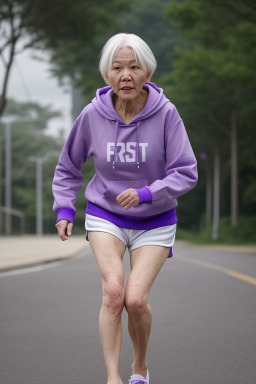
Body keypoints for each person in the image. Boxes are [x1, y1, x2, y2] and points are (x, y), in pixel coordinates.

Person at [52, 33, 198, 384]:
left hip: (156, 217)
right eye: (117, 68)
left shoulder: (166, 114)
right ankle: (112, 377)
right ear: (107, 75)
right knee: (114, 292)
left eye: (134, 67)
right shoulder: (92, 115)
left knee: (135, 300)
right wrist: (64, 209)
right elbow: (68, 167)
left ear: (148, 72)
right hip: (106, 213)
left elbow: (186, 171)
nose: (126, 75)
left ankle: (140, 366)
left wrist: (149, 193)